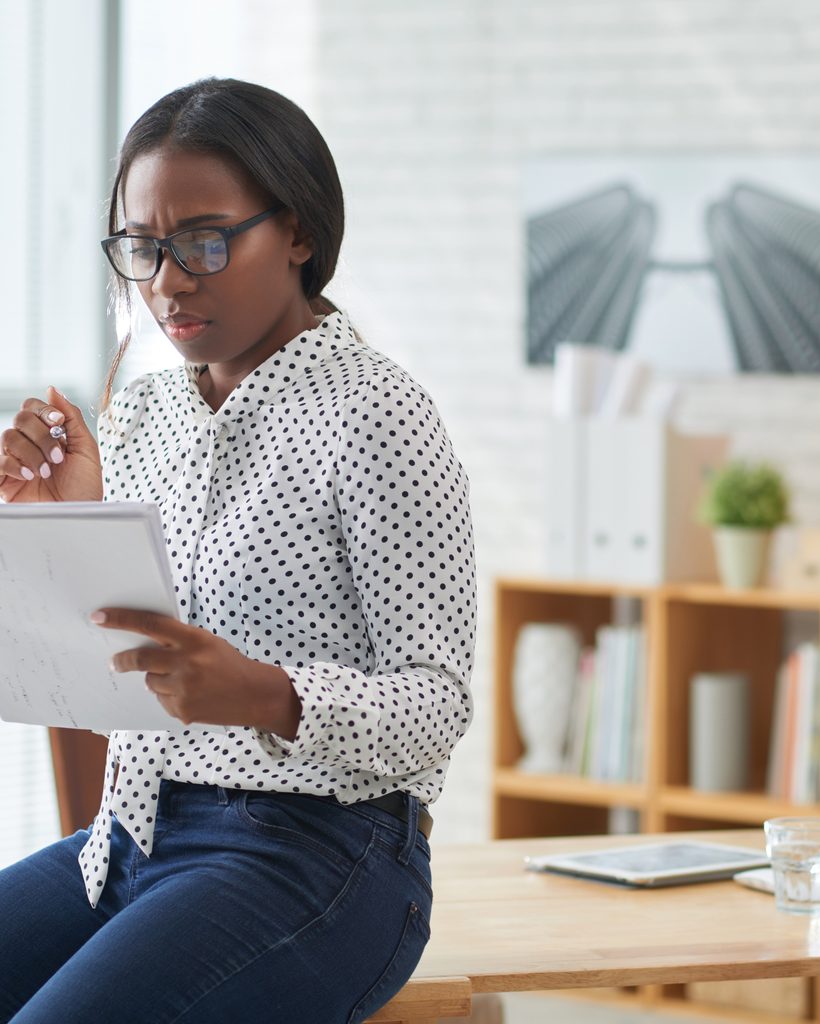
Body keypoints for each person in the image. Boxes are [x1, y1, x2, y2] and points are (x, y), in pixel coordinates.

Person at [0, 77, 476, 1023]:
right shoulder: (144, 410)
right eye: (143, 248)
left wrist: (265, 691)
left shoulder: (378, 415)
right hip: (130, 838)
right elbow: (110, 676)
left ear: (296, 234)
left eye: (205, 242)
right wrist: (67, 528)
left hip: (319, 857)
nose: (168, 280)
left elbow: (438, 703)